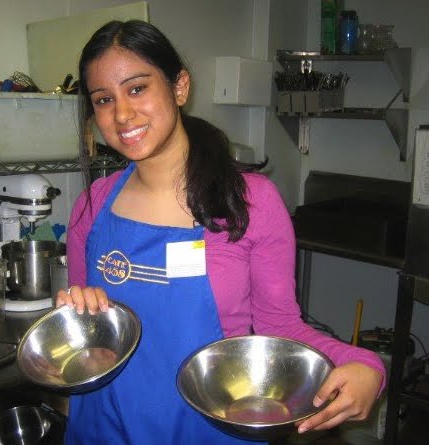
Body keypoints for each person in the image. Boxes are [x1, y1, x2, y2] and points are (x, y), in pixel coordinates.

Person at [56, 19, 385, 445]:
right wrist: (75, 311)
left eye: (137, 88)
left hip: (207, 430)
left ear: (179, 87)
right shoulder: (93, 205)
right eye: (104, 99)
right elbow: (83, 335)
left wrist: (365, 365)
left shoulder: (249, 202)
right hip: (103, 428)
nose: (121, 114)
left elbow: (281, 326)